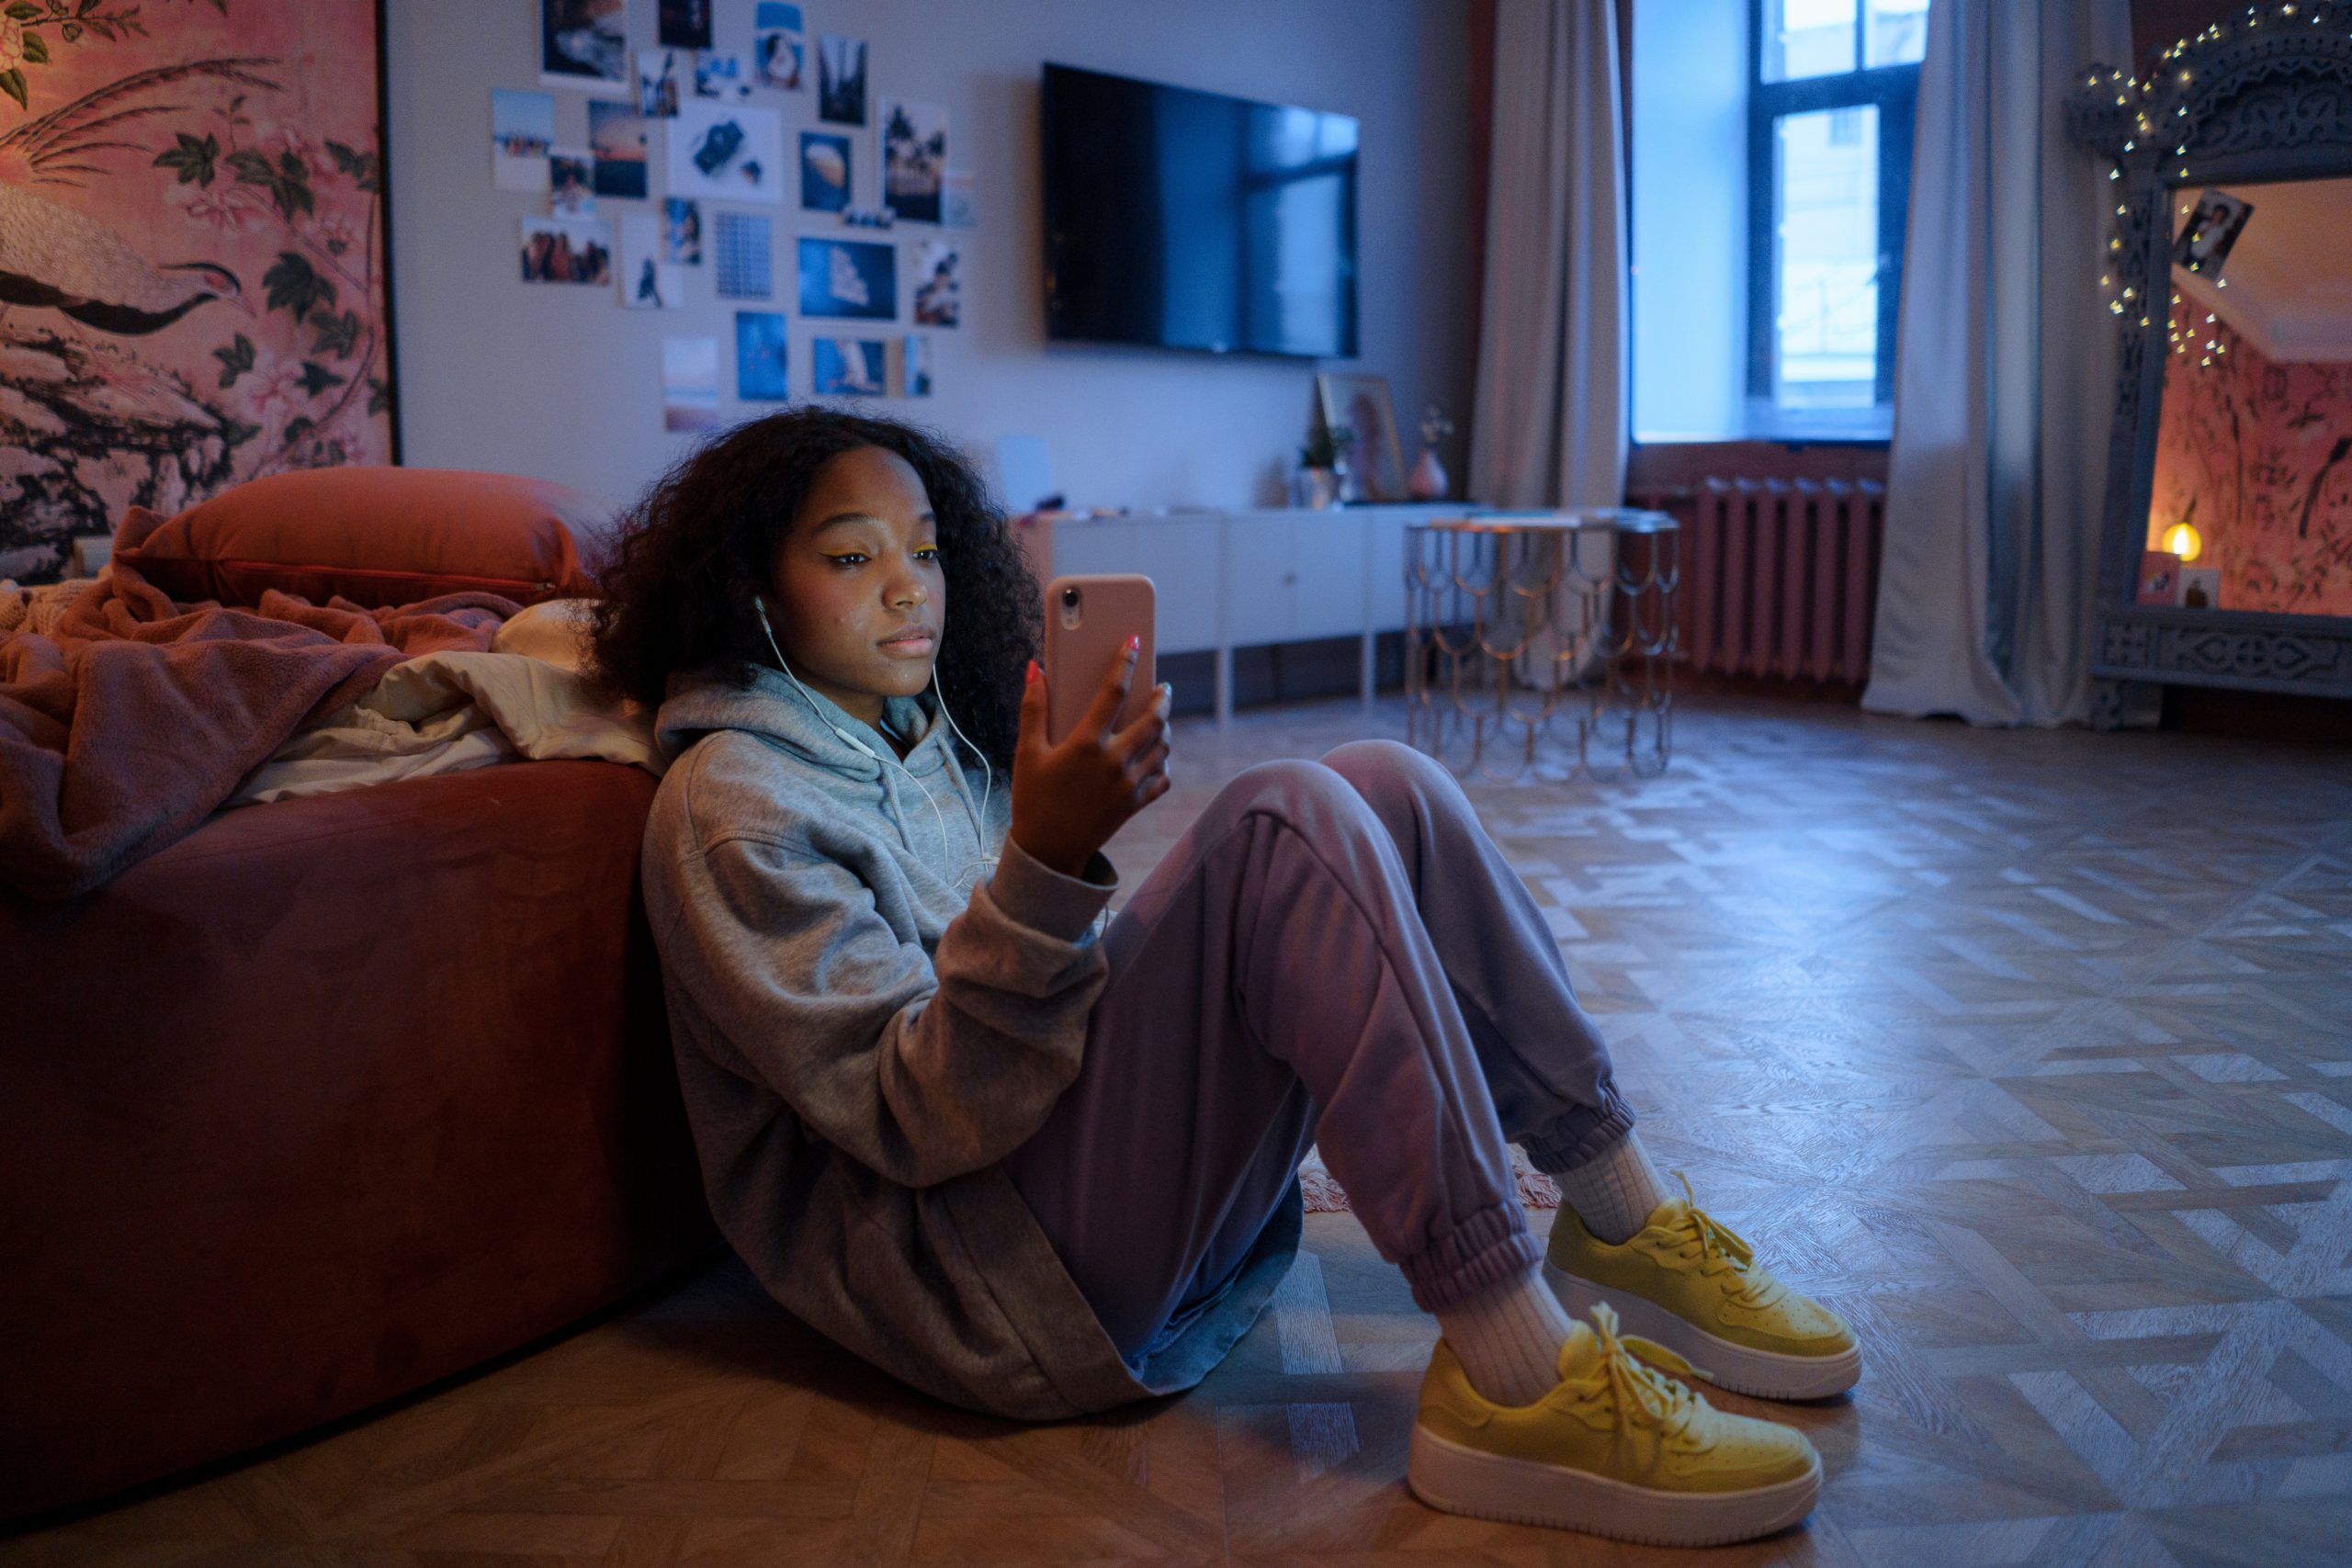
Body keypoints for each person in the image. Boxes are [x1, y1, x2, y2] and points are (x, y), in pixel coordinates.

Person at [588, 408, 1860, 1549]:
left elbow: (1040, 1010)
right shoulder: (735, 812)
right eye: (851, 555)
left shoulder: (919, 733)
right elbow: (917, 1124)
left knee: (1381, 781)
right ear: (752, 589)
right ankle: (1516, 1385)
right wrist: (1046, 854)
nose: (907, 590)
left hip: (1052, 1198)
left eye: (922, 549)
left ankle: (1617, 1215)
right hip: (985, 1286)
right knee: (1280, 821)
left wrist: (1063, 856)